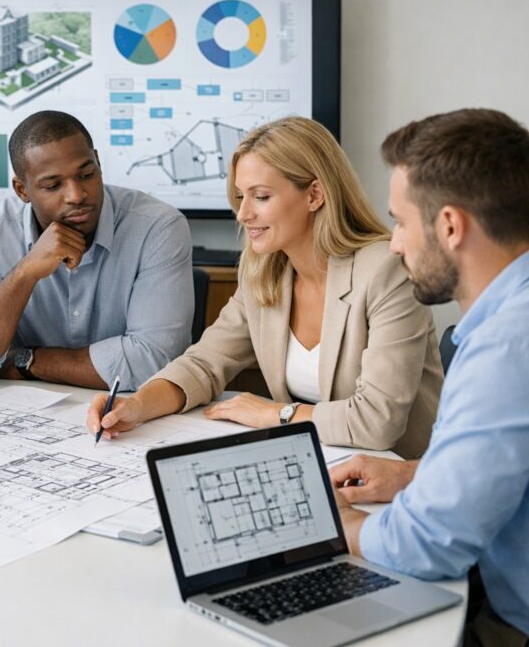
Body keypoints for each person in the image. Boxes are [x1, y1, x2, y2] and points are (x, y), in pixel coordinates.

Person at [87, 116, 442, 458]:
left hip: (398, 475)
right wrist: (136, 404)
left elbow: (377, 423)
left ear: (314, 195)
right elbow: (204, 364)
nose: (242, 215)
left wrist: (277, 414)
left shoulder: (386, 271)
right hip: (319, 458)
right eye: (241, 197)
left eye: (261, 197)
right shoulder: (263, 270)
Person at [329, 108, 529, 646]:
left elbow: (430, 544)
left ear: (449, 226)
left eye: (399, 221)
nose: (394, 243)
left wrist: (347, 528)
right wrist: (419, 473)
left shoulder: (508, 345)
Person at [0, 110, 193, 391]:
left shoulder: (158, 226)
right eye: (53, 185)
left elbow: (154, 361)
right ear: (22, 190)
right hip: (22, 414)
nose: (76, 195)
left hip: (126, 412)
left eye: (87, 174)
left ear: (99, 163)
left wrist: (27, 361)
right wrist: (25, 273)